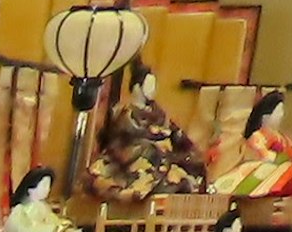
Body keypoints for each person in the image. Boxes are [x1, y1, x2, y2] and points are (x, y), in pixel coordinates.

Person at [84, 63, 207, 201]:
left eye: (153, 85)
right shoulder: (125, 113)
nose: (152, 89)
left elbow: (176, 134)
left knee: (189, 165)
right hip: (132, 155)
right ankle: (139, 190)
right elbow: (123, 139)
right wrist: (154, 141)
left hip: (162, 157)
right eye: (148, 85)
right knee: (150, 153)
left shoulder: (159, 113)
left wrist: (188, 151)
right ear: (137, 87)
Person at [212, 87, 292, 200]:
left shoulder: (282, 137)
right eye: (278, 111)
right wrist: (287, 159)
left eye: (282, 111)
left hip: (282, 171)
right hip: (263, 172)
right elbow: (264, 156)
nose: (281, 115)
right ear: (265, 116)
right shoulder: (257, 136)